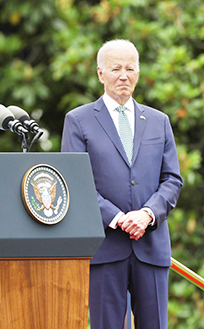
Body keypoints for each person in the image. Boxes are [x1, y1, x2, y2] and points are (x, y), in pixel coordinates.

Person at [61, 39, 183, 329]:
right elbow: (75, 183)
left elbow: (172, 179)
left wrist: (147, 214)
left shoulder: (159, 121)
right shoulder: (78, 120)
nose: (124, 75)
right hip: (104, 247)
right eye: (116, 69)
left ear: (138, 72)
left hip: (151, 245)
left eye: (130, 68)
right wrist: (116, 218)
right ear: (101, 73)